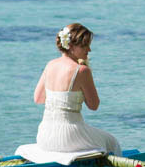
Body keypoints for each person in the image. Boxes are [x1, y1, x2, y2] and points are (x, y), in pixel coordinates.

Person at [32, 23, 121, 155]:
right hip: (69, 136)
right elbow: (94, 105)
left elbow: (38, 99)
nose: (89, 50)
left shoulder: (50, 65)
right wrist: (86, 69)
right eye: (85, 45)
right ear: (71, 46)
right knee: (111, 142)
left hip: (45, 135)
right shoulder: (81, 70)